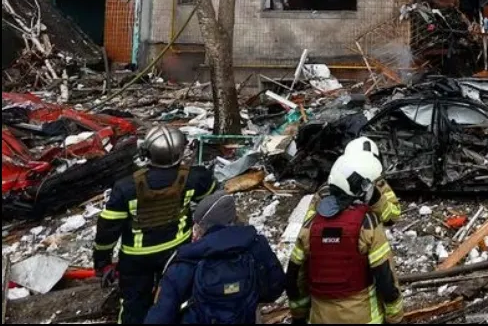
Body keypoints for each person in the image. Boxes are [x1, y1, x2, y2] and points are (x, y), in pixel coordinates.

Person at [94, 125, 217, 324]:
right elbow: (213, 200)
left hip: (136, 259)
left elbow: (107, 230)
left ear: (147, 152)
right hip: (178, 252)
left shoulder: (126, 187)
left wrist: (102, 262)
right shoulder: (193, 178)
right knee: (177, 298)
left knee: (133, 306)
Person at [286, 151, 403, 324]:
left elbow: (294, 276)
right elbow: (386, 278)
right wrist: (395, 318)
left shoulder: (310, 225)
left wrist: (299, 316)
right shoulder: (367, 225)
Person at [144, 192, 285, 324]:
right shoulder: (256, 245)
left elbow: (160, 316)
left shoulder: (184, 261)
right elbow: (275, 288)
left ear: (201, 228)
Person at [302, 137, 402, 226]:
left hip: (367, 238)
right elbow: (309, 222)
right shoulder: (328, 189)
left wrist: (376, 200)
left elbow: (394, 216)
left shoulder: (379, 184)